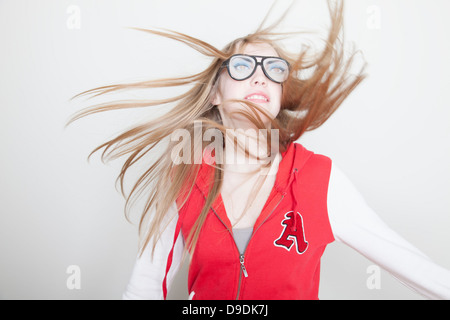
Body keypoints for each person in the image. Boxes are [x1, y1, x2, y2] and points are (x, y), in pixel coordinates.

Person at [70, 1, 450, 299]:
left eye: (273, 69)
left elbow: (417, 270)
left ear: (281, 96)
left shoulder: (319, 178)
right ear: (216, 94)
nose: (259, 75)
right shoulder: (184, 176)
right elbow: (145, 288)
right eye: (241, 65)